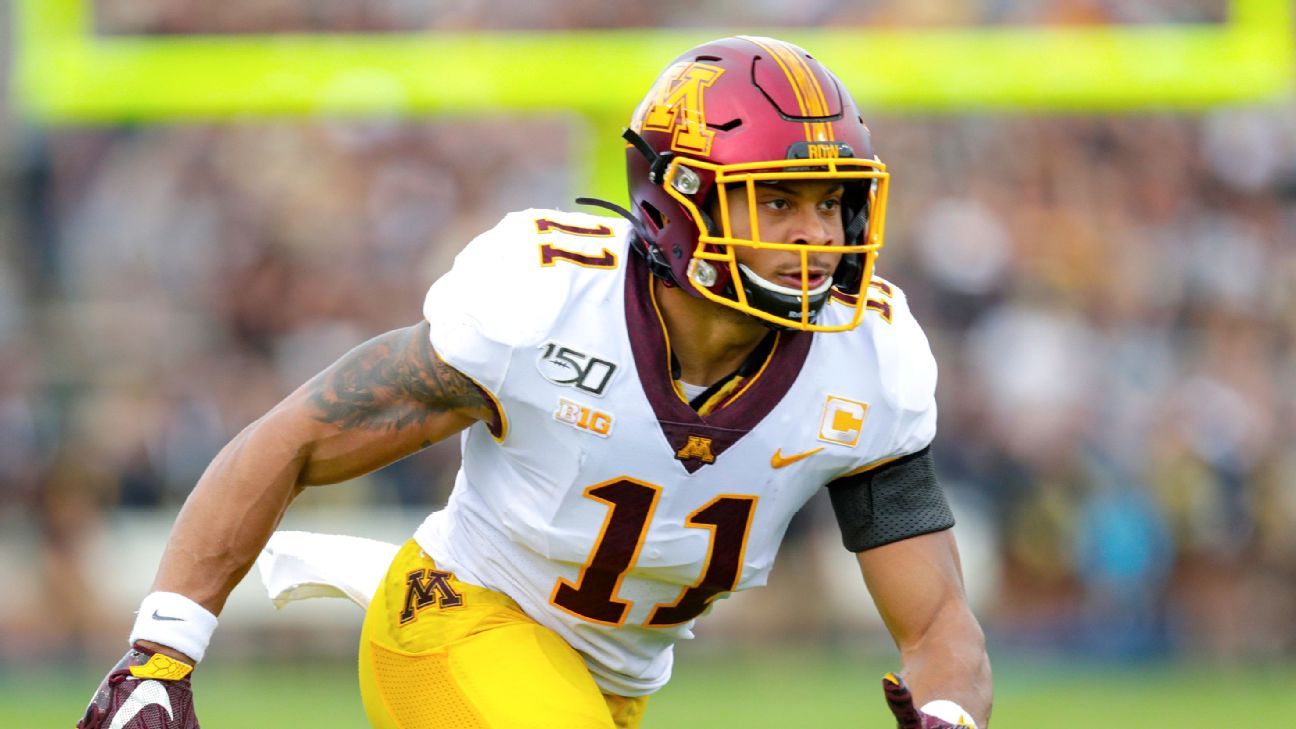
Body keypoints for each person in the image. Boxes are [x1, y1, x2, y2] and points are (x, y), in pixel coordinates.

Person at [78, 35, 993, 729]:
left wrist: (949, 714)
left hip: (608, 687)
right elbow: (298, 435)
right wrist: (162, 653)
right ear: (681, 200)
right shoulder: (549, 297)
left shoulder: (868, 355)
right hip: (457, 617)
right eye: (778, 200)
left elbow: (937, 616)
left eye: (832, 201)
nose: (818, 236)